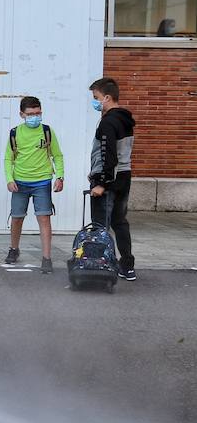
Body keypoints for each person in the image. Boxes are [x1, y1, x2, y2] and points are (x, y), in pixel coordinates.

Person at [2, 96, 65, 273]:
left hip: (42, 181)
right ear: (22, 114)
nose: (35, 117)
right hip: (20, 182)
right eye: (30, 114)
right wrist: (9, 179)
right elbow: (9, 158)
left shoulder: (47, 131)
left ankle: (46, 258)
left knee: (44, 218)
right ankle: (14, 249)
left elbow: (57, 155)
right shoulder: (15, 133)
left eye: (38, 113)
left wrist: (60, 176)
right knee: (17, 217)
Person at [88, 76, 137, 282]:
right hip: (124, 177)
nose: (94, 101)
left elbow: (109, 156)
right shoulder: (125, 120)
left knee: (100, 225)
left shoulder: (108, 122)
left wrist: (100, 183)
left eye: (96, 97)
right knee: (120, 222)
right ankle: (127, 266)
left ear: (107, 97)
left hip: (109, 179)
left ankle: (101, 265)